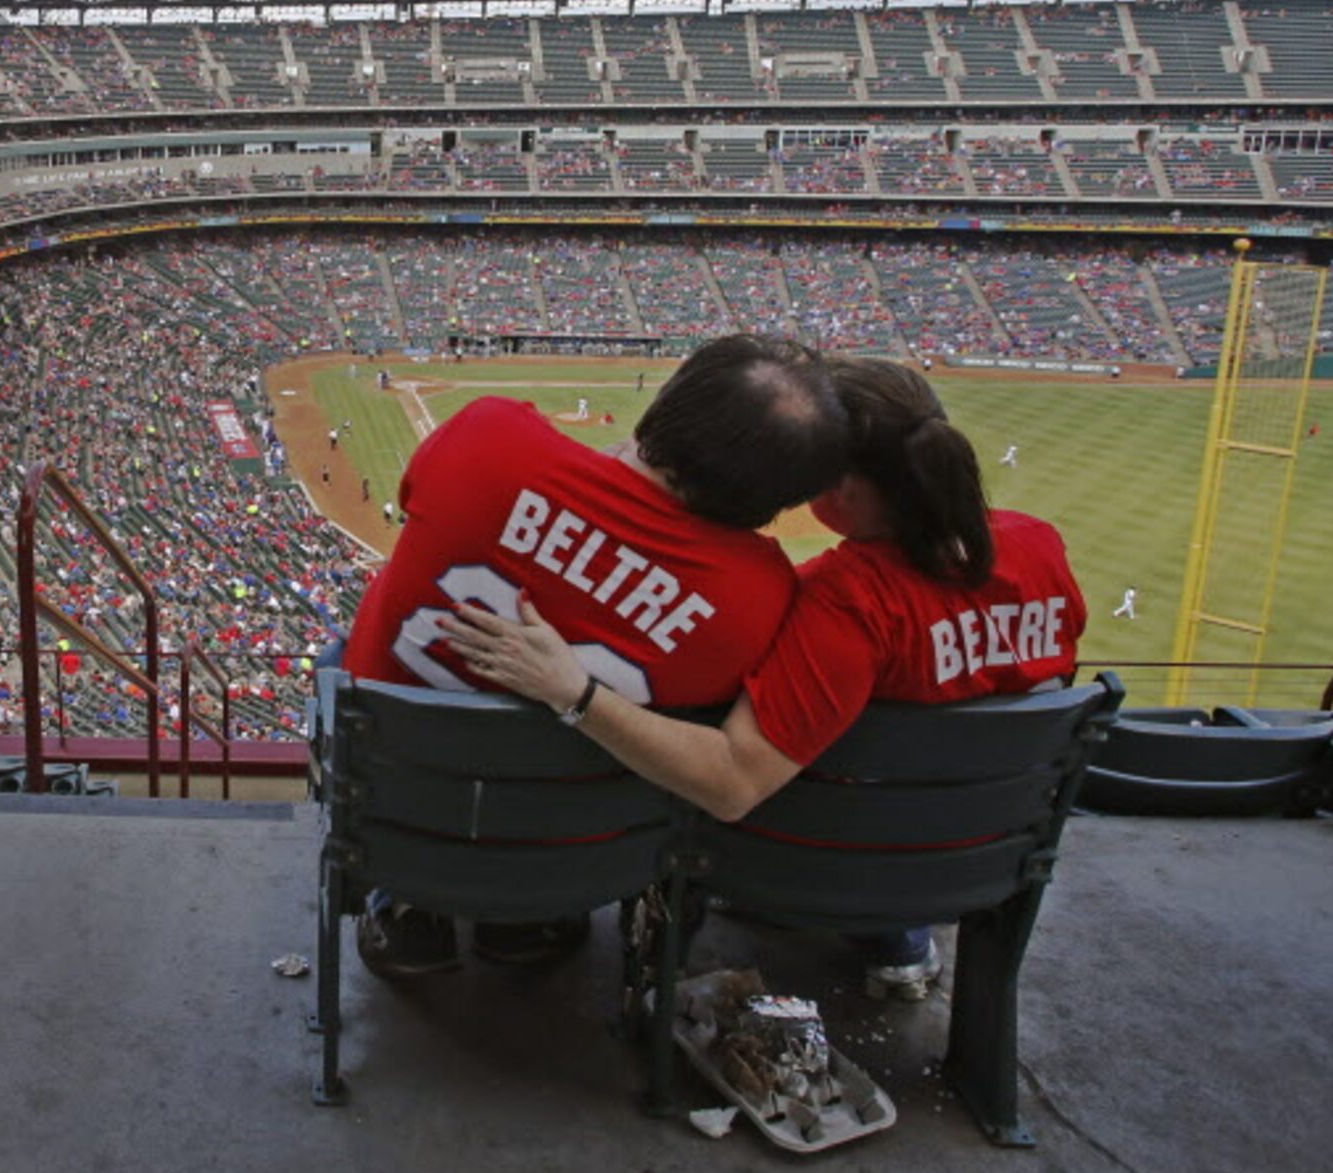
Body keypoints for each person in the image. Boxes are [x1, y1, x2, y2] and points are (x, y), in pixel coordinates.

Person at [441, 358, 1085, 998]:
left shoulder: (840, 600)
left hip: (819, 863)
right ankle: (898, 935)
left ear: (846, 489)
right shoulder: (1040, 546)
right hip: (979, 857)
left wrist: (576, 695)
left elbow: (732, 778)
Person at [341, 334, 849, 975]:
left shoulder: (489, 434)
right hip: (573, 854)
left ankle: (411, 908)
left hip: (393, 820)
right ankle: (525, 920)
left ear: (669, 402)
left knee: (362, 630)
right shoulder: (760, 594)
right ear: (774, 502)